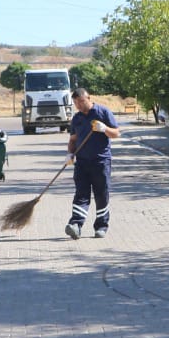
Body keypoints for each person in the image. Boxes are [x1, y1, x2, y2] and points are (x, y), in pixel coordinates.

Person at [65, 88, 121, 239]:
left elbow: (116, 133)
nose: (79, 105)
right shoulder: (76, 119)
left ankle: (101, 226)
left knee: (101, 194)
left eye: (81, 101)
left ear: (89, 98)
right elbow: (73, 140)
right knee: (81, 194)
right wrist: (70, 154)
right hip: (82, 162)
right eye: (76, 102)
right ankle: (76, 225)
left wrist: (104, 129)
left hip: (101, 161)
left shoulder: (102, 112)